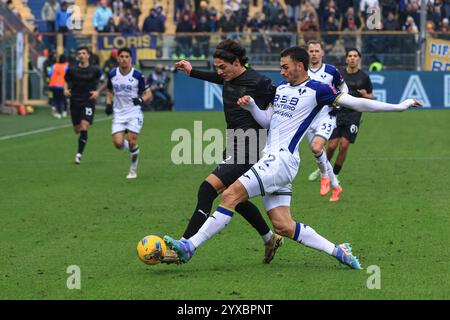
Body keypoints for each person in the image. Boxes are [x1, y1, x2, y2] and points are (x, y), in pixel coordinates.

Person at [163, 46, 420, 267]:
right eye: (281, 67)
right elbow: (267, 121)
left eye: (285, 67)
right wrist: (252, 106)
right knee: (283, 226)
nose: (282, 72)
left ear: (299, 65)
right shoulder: (282, 89)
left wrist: (399, 106)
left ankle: (189, 247)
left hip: (281, 160)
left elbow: (357, 103)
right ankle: (338, 251)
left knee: (229, 194)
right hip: (275, 161)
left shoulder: (318, 90)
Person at [161, 39, 283, 264]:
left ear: (236, 62)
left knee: (207, 190)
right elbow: (219, 78)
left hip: (252, 147)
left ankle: (183, 245)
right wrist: (192, 72)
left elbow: (283, 103)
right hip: (234, 143)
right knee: (236, 197)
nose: (219, 72)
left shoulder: (260, 82)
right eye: (216, 67)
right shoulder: (229, 76)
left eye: (222, 67)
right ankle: (269, 238)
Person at [306, 40, 347, 202]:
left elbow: (344, 88)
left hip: (327, 115)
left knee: (317, 147)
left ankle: (324, 177)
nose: (314, 54)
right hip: (308, 119)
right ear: (307, 53)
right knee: (319, 153)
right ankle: (336, 186)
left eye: (317, 51)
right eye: (311, 51)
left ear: (322, 53)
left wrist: (338, 102)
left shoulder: (331, 71)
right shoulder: (302, 71)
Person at [326, 48, 373, 180]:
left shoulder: (364, 77)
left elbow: (370, 96)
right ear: (346, 59)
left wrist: (365, 95)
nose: (352, 58)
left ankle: (335, 174)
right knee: (331, 145)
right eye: (350, 56)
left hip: (354, 114)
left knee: (344, 145)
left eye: (355, 56)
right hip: (338, 112)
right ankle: (324, 169)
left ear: (359, 59)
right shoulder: (339, 75)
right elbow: (331, 90)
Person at [106, 47, 153, 179]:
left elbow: (148, 93)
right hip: (119, 113)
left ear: (130, 59)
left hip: (134, 113)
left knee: (132, 140)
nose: (124, 59)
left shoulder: (138, 75)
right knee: (117, 143)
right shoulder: (112, 74)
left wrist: (140, 99)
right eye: (122, 56)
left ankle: (133, 170)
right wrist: (108, 103)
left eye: (127, 57)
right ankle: (134, 150)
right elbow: (109, 92)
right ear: (118, 58)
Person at [64, 46, 102, 165]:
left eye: (83, 53)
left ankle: (78, 155)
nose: (81, 55)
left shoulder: (95, 70)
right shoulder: (72, 69)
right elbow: (65, 80)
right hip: (75, 100)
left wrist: (98, 91)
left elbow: (104, 82)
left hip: (88, 101)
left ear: (88, 55)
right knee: (77, 129)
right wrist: (65, 89)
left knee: (84, 126)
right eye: (79, 53)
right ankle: (79, 136)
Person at [48, 54, 69, 119]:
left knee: (57, 99)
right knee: (64, 99)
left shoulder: (54, 66)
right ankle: (64, 111)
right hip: (62, 86)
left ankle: (59, 113)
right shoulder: (66, 66)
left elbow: (49, 73)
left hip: (53, 85)